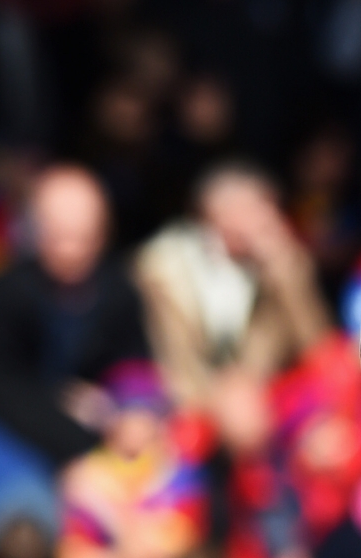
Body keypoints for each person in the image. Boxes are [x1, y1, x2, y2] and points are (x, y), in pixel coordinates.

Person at [0, 165, 150, 465]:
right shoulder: (5, 295)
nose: (72, 252)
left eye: (84, 238)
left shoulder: (119, 292)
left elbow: (136, 365)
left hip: (111, 440)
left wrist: (128, 410)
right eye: (60, 237)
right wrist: (73, 423)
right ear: (35, 232)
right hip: (22, 449)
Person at [135, 163, 330, 411]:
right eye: (257, 208)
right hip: (192, 405)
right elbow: (175, 362)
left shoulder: (285, 265)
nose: (269, 218)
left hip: (269, 403)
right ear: (216, 213)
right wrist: (217, 403)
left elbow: (318, 348)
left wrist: (285, 274)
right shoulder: (163, 270)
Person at [57, 362, 206, 558]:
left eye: (145, 411)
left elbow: (174, 548)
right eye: (126, 410)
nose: (134, 422)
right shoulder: (87, 472)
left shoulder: (178, 474)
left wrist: (103, 509)